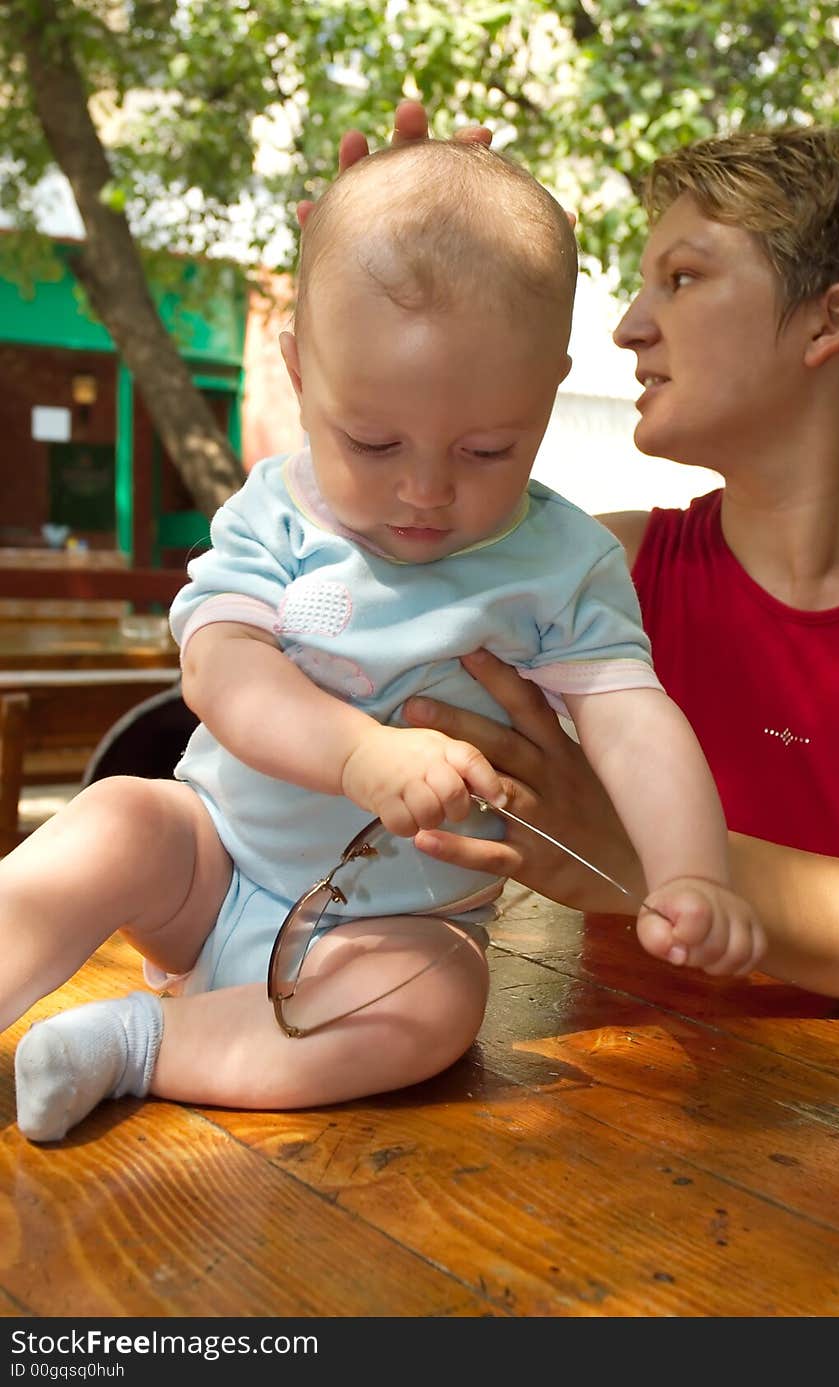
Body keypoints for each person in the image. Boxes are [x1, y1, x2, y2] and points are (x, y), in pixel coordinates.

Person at [6, 138, 762, 1143]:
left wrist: (690, 871)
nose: (425, 489)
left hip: (390, 931)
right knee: (115, 823)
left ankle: (136, 1044)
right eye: (372, 442)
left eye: (487, 449)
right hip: (213, 864)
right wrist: (359, 753)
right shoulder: (280, 512)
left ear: (548, 391)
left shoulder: (559, 559)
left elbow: (632, 717)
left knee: (439, 1007)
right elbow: (219, 667)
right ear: (298, 370)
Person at [359, 105, 839, 1003]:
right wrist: (373, 291)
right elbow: (333, 591)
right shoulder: (602, 566)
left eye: (682, 278)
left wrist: (627, 849)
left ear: (827, 323)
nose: (631, 327)